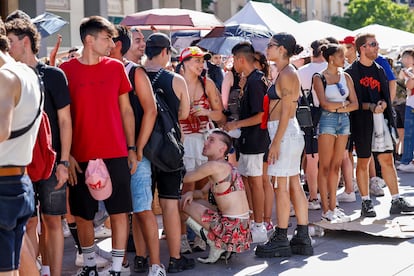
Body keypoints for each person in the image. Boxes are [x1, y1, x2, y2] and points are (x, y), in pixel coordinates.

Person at [59, 16, 136, 276]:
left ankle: (116, 268)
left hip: (116, 152)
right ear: (89, 40)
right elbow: (62, 117)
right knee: (82, 215)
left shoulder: (116, 68)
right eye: (107, 38)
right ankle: (90, 265)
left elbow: (127, 111)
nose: (113, 43)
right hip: (79, 155)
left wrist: (133, 149)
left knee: (119, 212)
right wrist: (66, 155)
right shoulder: (65, 71)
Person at [5, 18, 72, 276]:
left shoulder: (53, 75)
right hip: (20, 163)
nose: (7, 48)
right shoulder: (8, 76)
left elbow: (65, 121)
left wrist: (65, 162)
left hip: (52, 161)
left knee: (53, 220)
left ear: (25, 42)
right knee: (28, 222)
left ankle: (53, 273)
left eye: (10, 42)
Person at [109, 25, 165, 276]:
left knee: (142, 210)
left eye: (143, 40)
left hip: (135, 153)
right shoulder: (106, 69)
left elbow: (150, 110)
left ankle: (156, 264)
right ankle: (121, 263)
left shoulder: (135, 72)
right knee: (118, 213)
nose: (142, 44)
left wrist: (138, 147)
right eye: (137, 39)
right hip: (110, 151)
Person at [255, 33, 313, 258]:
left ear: (281, 49)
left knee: (282, 186)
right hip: (286, 132)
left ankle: (281, 236)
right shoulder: (286, 72)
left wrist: (276, 142)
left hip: (284, 133)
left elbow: (288, 110)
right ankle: (301, 235)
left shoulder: (287, 73)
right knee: (293, 185)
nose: (267, 49)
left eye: (270, 46)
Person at [345, 33, 414, 217]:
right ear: (362, 48)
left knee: (387, 160)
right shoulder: (351, 72)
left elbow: (385, 91)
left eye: (376, 44)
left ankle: (396, 199)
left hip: (381, 120)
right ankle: (366, 202)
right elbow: (351, 102)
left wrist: (384, 104)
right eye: (373, 44)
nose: (377, 47)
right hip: (361, 121)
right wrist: (370, 106)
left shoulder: (379, 69)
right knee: (363, 161)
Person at [143, 32, 194, 273]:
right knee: (169, 204)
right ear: (165, 52)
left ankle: (142, 258)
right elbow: (184, 114)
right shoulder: (176, 80)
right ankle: (175, 258)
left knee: (141, 207)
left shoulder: (134, 75)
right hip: (169, 149)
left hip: (141, 147)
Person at [0, 17, 41, 275]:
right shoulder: (28, 72)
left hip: (3, 187)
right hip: (19, 182)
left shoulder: (5, 77)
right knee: (11, 269)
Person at [176, 46, 225, 254]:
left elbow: (220, 115)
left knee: (204, 191)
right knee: (185, 191)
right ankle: (182, 237)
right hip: (184, 141)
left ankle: (201, 235)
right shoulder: (174, 81)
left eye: (202, 61)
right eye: (196, 61)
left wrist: (205, 111)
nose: (201, 65)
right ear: (184, 62)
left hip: (205, 141)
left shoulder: (208, 83)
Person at [223, 42, 270, 244]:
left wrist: (237, 124)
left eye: (234, 60)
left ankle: (259, 225)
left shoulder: (256, 80)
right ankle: (255, 222)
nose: (233, 64)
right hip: (248, 139)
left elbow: (261, 116)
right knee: (250, 181)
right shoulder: (250, 80)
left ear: (241, 59)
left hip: (256, 139)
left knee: (256, 182)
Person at [181, 130, 251, 264]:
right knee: (194, 200)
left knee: (180, 204)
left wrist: (180, 147)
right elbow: (201, 193)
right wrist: (191, 193)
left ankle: (215, 244)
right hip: (241, 229)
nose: (205, 142)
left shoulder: (213, 166)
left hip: (231, 228)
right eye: (207, 139)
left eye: (211, 140)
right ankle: (220, 243)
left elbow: (184, 178)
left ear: (222, 148)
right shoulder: (225, 166)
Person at [313, 44, 358, 223]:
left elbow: (355, 103)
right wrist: (343, 106)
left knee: (336, 165)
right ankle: (326, 208)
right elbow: (324, 104)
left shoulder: (345, 76)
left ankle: (333, 206)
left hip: (343, 120)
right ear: (331, 58)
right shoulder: (319, 77)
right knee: (324, 166)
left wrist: (339, 108)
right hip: (327, 120)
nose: (344, 59)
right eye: (341, 56)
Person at [297, 39, 329, 210]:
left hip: (309, 117)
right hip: (331, 114)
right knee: (329, 158)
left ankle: (314, 196)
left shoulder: (301, 71)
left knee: (311, 158)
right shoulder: (332, 70)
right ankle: (329, 196)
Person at [396, 48, 414, 173]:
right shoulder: (409, 71)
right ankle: (407, 160)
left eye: (407, 57)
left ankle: (407, 160)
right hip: (410, 104)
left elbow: (409, 86)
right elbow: (409, 86)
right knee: (408, 134)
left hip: (411, 105)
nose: (405, 60)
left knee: (409, 134)